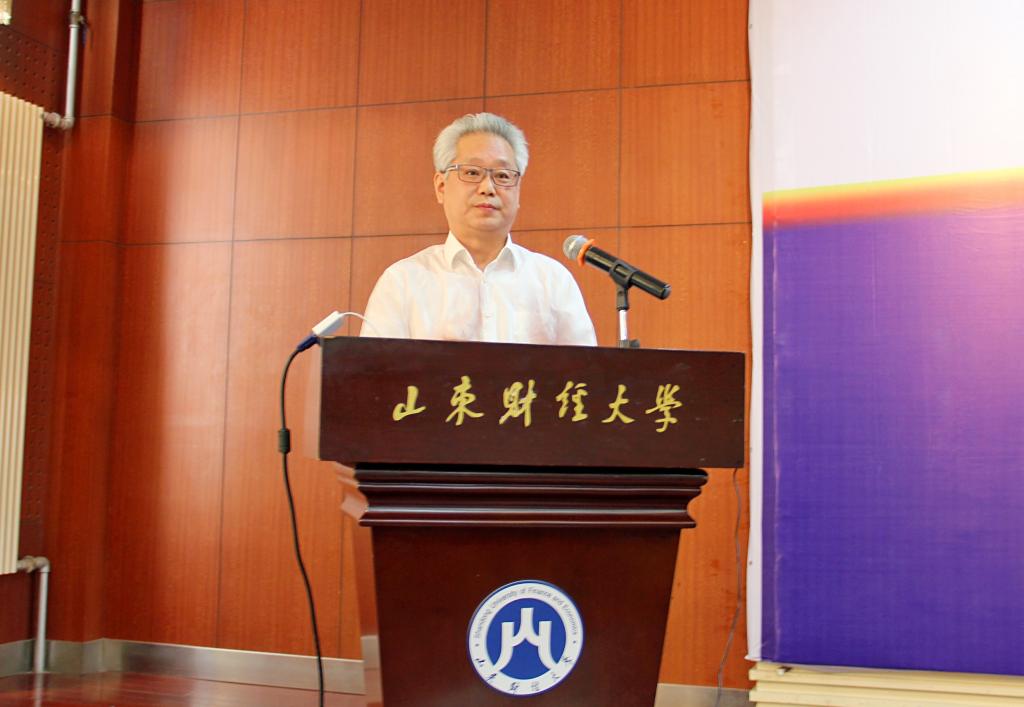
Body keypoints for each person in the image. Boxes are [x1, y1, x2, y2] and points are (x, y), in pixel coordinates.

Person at [359, 112, 597, 346]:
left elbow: (585, 370)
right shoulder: (403, 281)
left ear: (518, 190)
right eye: (472, 172)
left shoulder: (552, 280)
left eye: (503, 175)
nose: (488, 188)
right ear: (441, 187)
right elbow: (375, 369)